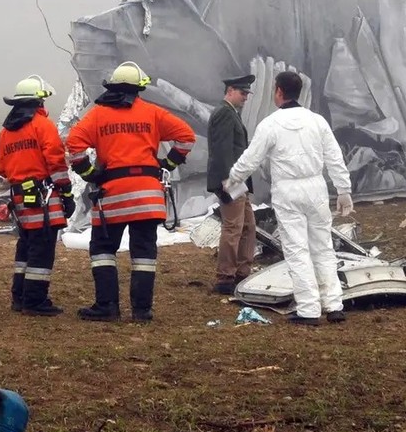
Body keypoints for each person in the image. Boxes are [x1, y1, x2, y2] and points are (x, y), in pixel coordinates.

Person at [65, 61, 196, 322]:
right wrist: (166, 165)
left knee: (103, 249)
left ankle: (107, 306)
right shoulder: (152, 113)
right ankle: (142, 310)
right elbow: (187, 136)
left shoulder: (98, 115)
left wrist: (91, 175)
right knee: (144, 253)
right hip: (148, 197)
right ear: (139, 89)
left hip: (113, 196)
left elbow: (74, 144)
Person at [224, 70, 353, 327]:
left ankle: (308, 309)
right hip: (316, 188)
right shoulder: (317, 121)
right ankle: (334, 304)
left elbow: (251, 158)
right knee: (323, 246)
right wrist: (344, 190)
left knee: (297, 249)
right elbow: (334, 157)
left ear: (279, 92)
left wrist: (232, 179)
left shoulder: (270, 124)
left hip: (287, 190)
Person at [0, 75, 71, 316]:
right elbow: (56, 161)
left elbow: (3, 169)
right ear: (38, 102)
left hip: (20, 198)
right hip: (44, 197)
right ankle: (35, 301)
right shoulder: (42, 125)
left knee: (25, 247)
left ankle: (19, 297)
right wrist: (67, 192)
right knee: (43, 247)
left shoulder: (6, 132)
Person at [207, 73, 257, 295]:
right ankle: (226, 277)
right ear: (230, 91)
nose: (246, 97)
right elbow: (221, 151)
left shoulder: (230, 113)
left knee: (247, 227)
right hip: (232, 181)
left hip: (238, 181)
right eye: (242, 92)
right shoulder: (224, 114)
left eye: (247, 93)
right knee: (234, 228)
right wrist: (227, 182)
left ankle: (241, 272)